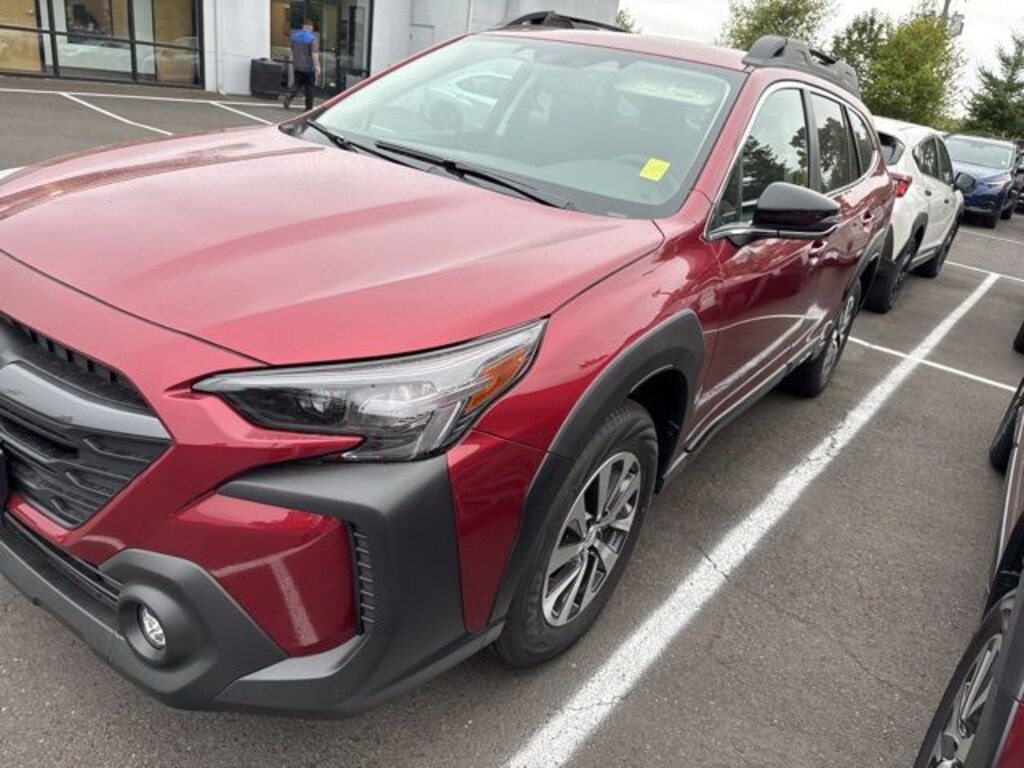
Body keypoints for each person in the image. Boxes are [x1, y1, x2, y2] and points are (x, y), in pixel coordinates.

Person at [283, 19, 319, 111]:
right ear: (310, 27)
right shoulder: (312, 39)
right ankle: (308, 107)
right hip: (308, 67)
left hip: (297, 65)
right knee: (309, 87)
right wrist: (317, 66)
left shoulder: (294, 37)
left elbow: (291, 50)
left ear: (303, 26)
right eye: (311, 28)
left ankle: (288, 96)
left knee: (297, 83)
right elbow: (314, 54)